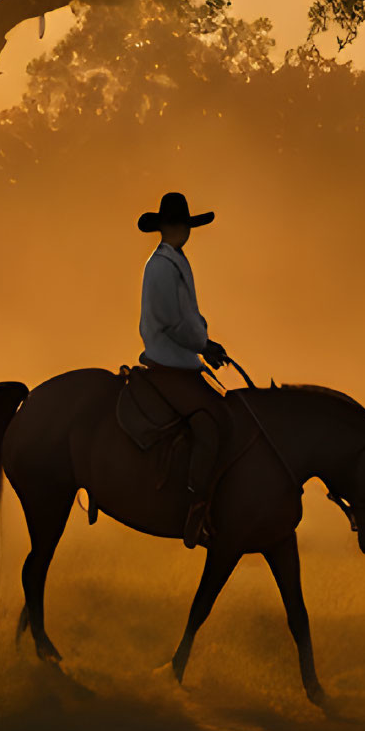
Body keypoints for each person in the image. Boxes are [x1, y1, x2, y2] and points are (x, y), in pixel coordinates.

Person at [137, 190, 233, 549]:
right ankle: (195, 506)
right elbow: (175, 321)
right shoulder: (162, 266)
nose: (183, 231)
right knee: (210, 421)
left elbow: (187, 319)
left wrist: (204, 344)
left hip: (182, 358)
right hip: (169, 360)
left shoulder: (174, 261)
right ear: (170, 227)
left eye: (183, 225)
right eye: (180, 225)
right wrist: (203, 344)